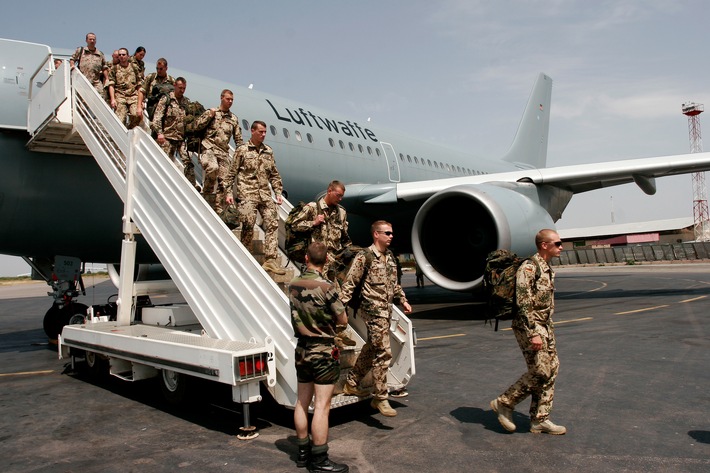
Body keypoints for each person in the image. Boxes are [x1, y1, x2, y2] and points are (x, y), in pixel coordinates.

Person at [490, 228, 566, 435]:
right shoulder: (529, 268)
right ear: (544, 245)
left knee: (552, 369)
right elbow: (523, 304)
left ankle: (540, 419)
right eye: (557, 243)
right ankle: (505, 401)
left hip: (545, 325)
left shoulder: (547, 268)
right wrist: (533, 332)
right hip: (529, 326)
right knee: (541, 370)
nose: (561, 247)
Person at [339, 220, 412, 417]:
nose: (391, 236)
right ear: (376, 235)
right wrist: (339, 309)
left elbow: (394, 284)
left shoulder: (389, 257)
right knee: (384, 352)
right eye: (387, 233)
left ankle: (352, 382)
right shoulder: (365, 256)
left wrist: (403, 300)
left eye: (391, 233)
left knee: (372, 347)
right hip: (372, 311)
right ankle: (380, 397)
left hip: (385, 311)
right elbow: (350, 283)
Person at [289, 242, 349, 473]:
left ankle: (303, 453)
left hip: (302, 348)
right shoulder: (327, 287)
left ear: (306, 258)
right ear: (326, 261)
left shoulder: (293, 284)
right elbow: (342, 319)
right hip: (323, 350)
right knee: (322, 406)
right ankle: (320, 459)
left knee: (302, 402)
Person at [224, 121, 286, 275]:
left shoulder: (268, 151)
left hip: (264, 194)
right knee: (248, 223)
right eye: (261, 132)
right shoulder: (242, 150)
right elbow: (231, 173)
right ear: (252, 131)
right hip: (247, 194)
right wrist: (228, 193)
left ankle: (270, 260)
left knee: (272, 221)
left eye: (265, 132)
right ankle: (245, 256)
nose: (263, 135)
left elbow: (274, 174)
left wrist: (278, 192)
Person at [288, 180, 352, 282]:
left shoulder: (341, 213)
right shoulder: (312, 208)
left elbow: (345, 238)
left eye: (341, 196)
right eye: (338, 195)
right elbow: (294, 225)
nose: (340, 199)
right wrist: (313, 223)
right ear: (329, 191)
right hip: (315, 263)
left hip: (333, 265)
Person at [191, 89, 243, 212]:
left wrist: (243, 153)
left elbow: (238, 139)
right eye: (228, 99)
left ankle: (219, 210)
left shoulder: (233, 119)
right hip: (209, 148)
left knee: (225, 183)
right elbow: (197, 126)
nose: (230, 102)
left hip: (223, 152)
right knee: (213, 168)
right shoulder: (212, 112)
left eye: (232, 100)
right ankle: (207, 196)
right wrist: (209, 116)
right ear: (221, 98)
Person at [151, 77, 197, 188]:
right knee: (165, 162)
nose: (182, 90)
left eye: (184, 88)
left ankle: (192, 187)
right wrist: (159, 133)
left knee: (188, 163)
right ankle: (160, 184)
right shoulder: (166, 99)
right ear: (175, 85)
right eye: (180, 88)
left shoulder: (186, 102)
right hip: (167, 138)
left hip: (180, 139)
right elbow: (157, 118)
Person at [108, 48, 142, 130]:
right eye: (119, 55)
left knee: (136, 115)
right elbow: (111, 85)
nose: (121, 56)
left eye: (123, 55)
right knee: (120, 119)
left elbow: (139, 85)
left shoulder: (134, 68)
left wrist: (141, 103)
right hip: (120, 96)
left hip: (133, 95)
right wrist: (112, 99)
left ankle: (130, 130)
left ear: (128, 56)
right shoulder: (114, 68)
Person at [70, 32, 108, 99]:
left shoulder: (100, 54)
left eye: (94, 39)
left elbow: (104, 67)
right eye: (90, 39)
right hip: (83, 80)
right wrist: (72, 66)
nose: (92, 41)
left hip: (96, 82)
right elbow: (72, 59)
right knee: (83, 100)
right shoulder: (81, 50)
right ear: (86, 40)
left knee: (100, 98)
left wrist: (107, 78)